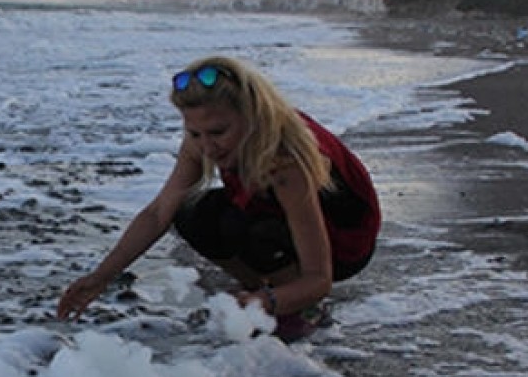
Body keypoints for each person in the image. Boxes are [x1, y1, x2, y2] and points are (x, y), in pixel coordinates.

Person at [56, 56, 380, 341]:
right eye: (195, 134)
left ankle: (300, 308)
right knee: (191, 211)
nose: (207, 147)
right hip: (275, 213)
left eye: (218, 132)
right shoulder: (202, 140)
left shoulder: (284, 161)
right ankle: (265, 290)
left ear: (252, 117)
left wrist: (270, 302)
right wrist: (101, 277)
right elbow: (158, 213)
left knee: (255, 230)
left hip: (343, 242)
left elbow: (319, 278)